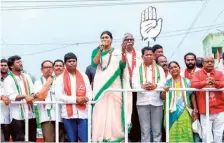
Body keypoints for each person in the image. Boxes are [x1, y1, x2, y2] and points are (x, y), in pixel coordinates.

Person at [91, 31, 132, 142]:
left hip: (115, 85)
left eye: (107, 37)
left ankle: (116, 136)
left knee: (116, 111)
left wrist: (123, 52)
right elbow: (95, 63)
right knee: (100, 109)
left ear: (111, 39)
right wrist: (100, 50)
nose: (104, 39)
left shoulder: (117, 52)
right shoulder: (96, 51)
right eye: (102, 37)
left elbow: (122, 65)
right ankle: (100, 136)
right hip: (101, 85)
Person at [55, 53, 91, 142]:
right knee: (72, 140)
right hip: (68, 115)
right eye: (69, 61)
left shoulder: (84, 76)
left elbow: (89, 92)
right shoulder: (60, 78)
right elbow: (59, 96)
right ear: (65, 63)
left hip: (83, 113)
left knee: (85, 139)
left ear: (76, 62)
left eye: (73, 61)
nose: (72, 63)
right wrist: (76, 100)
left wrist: (86, 98)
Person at [131, 47, 165, 142]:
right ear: (142, 56)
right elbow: (134, 84)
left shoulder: (159, 69)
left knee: (157, 130)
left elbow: (163, 82)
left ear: (154, 56)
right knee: (145, 130)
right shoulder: (137, 69)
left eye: (151, 54)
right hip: (142, 102)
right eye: (147, 54)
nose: (149, 56)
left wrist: (156, 85)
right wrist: (142, 87)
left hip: (157, 102)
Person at [161, 61, 197, 142]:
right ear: (169, 71)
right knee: (172, 131)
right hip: (171, 112)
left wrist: (195, 108)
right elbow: (162, 98)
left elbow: (192, 96)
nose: (174, 69)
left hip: (185, 111)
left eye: (175, 67)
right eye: (171, 68)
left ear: (179, 68)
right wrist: (164, 91)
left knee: (185, 130)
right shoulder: (166, 83)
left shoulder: (187, 81)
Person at [191, 56, 224, 143]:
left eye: (212, 61)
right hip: (204, 109)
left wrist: (215, 82)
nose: (209, 63)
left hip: (219, 108)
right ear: (203, 63)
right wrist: (205, 82)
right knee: (206, 134)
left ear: (214, 63)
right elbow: (193, 85)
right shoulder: (197, 74)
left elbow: (223, 83)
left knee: (219, 133)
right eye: (207, 61)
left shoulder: (219, 73)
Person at [3, 55, 37, 142]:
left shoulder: (27, 76)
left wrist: (33, 95)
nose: (21, 64)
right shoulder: (8, 79)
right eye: (18, 62)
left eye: (21, 62)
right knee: (19, 140)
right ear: (11, 66)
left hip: (30, 114)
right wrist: (25, 96)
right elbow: (11, 96)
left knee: (32, 139)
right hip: (17, 116)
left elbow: (32, 91)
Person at [34, 60, 65, 142]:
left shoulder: (59, 80)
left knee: (61, 140)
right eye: (46, 67)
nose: (48, 69)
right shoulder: (38, 82)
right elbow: (40, 97)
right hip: (46, 117)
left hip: (61, 116)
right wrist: (48, 83)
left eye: (50, 67)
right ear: (41, 69)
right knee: (49, 140)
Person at [122, 33, 141, 142]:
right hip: (124, 85)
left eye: (131, 39)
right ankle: (125, 135)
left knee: (136, 110)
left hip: (136, 86)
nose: (129, 41)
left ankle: (136, 136)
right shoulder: (119, 54)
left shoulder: (139, 54)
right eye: (127, 39)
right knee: (126, 110)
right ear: (123, 42)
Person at [0, 59, 11, 142]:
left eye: (5, 65)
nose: (3, 67)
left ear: (9, 67)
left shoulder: (12, 78)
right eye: (1, 65)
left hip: (12, 113)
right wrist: (2, 97)